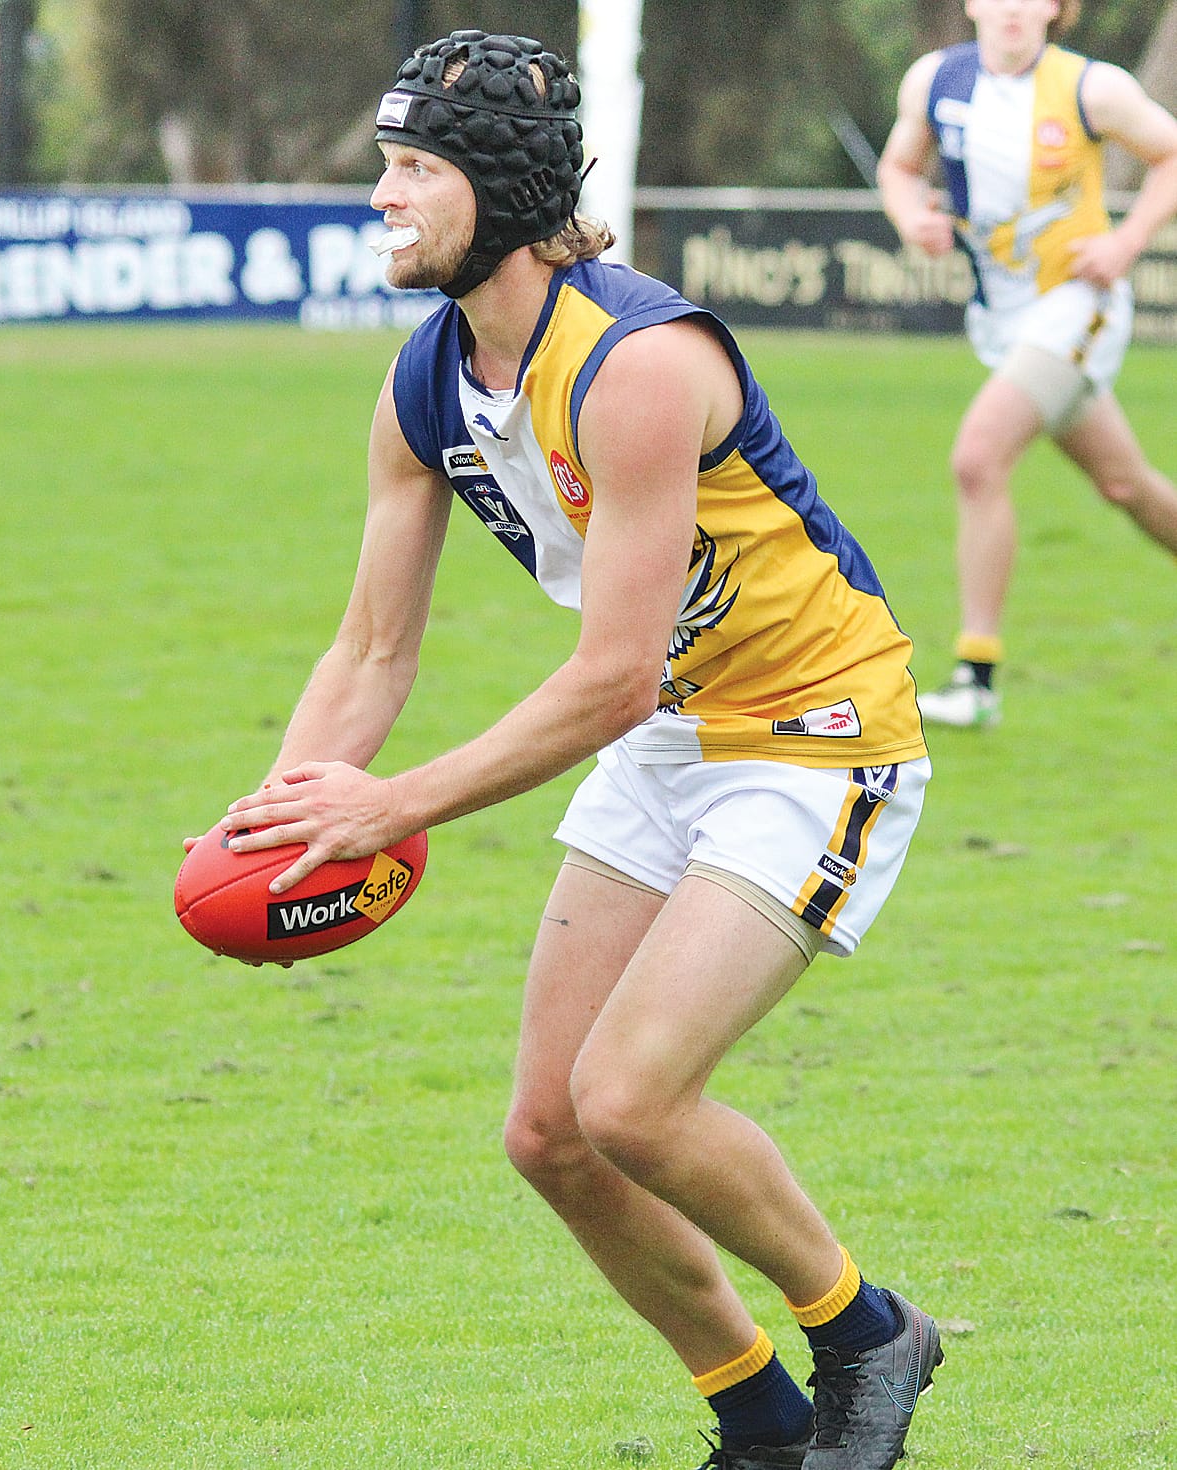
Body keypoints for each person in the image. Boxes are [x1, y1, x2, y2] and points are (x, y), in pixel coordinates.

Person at [202, 31, 941, 1470]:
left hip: (814, 736)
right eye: (387, 167)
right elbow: (370, 652)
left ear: (496, 186)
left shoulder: (637, 361)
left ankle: (867, 1334)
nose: (383, 199)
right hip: (674, 738)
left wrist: (395, 803)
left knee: (630, 1098)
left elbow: (604, 679)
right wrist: (288, 811)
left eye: (413, 169)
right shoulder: (424, 388)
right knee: (550, 1131)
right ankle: (761, 1419)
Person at [876, 0, 1177, 729]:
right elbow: (898, 166)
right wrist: (911, 216)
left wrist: (1127, 241)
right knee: (1125, 484)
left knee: (978, 458)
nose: (1013, 7)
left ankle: (976, 678)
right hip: (1002, 320)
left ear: (1056, 9)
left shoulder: (1091, 88)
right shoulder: (933, 79)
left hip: (1079, 306)